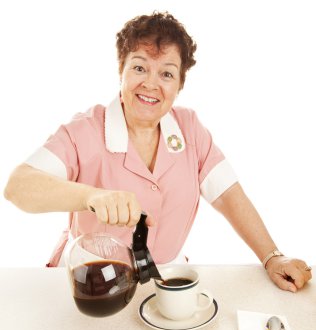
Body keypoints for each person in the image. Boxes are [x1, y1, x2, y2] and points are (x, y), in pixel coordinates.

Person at [4, 11, 312, 292]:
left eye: (166, 74)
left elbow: (228, 194)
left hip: (164, 283)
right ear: (121, 71)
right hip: (91, 283)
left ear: (179, 85)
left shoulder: (189, 128)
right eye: (139, 67)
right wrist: (91, 197)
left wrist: (273, 257)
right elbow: (18, 186)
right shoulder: (84, 131)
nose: (151, 84)